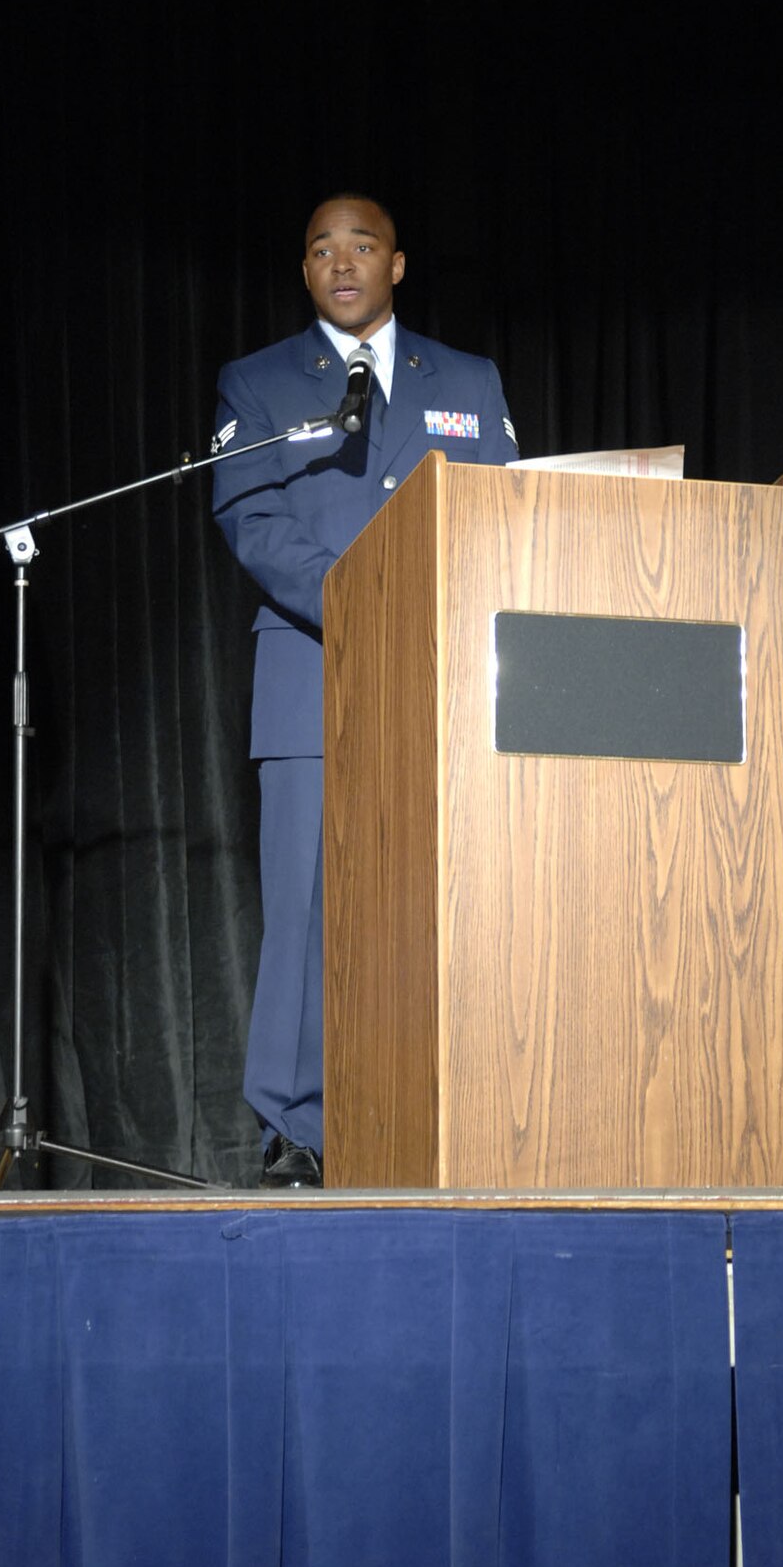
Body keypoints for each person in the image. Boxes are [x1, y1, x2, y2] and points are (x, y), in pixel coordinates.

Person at [212, 194, 518, 1187]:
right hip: (316, 670)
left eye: (361, 246)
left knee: (456, 900)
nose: (340, 262)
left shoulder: (467, 380)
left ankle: (458, 1110)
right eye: (319, 249)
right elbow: (252, 520)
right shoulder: (256, 384)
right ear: (304, 273)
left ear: (397, 264)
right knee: (306, 913)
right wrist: (363, 603)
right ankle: (298, 1134)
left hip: (447, 674)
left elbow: (504, 512)